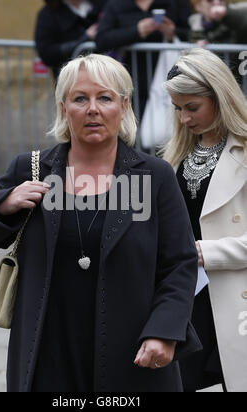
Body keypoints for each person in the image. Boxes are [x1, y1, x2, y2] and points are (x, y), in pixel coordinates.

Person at [0, 53, 201, 392]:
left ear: (123, 106)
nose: (92, 109)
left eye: (104, 97)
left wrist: (165, 330)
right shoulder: (32, 169)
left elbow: (180, 262)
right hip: (48, 350)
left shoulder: (153, 176)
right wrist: (5, 203)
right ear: (63, 108)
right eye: (79, 98)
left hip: (132, 350)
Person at [163, 48, 247, 392]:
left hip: (235, 294)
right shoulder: (171, 155)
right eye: (177, 109)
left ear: (220, 96)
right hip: (185, 295)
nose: (184, 118)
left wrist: (204, 252)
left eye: (192, 107)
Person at [96, 0, 191, 119]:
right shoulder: (116, 5)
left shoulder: (174, 4)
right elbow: (101, 40)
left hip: (165, 80)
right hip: (127, 81)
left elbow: (192, 35)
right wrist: (137, 31)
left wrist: (172, 32)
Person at [34, 0, 107, 79]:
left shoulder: (104, 6)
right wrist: (84, 39)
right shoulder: (48, 14)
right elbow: (47, 53)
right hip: (69, 78)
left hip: (105, 75)